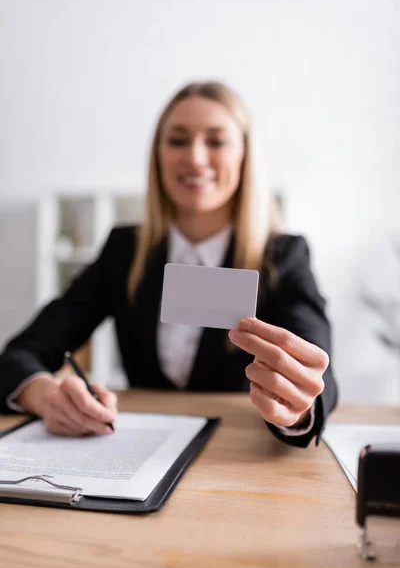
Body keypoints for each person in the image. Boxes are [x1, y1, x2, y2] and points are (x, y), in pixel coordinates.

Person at [0, 81, 337, 447]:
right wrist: (44, 393)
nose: (194, 157)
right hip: (135, 450)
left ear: (244, 155)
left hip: (234, 454)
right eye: (177, 140)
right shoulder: (124, 251)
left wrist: (299, 408)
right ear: (158, 155)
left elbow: (319, 375)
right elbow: (22, 352)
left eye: (216, 141)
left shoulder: (283, 256)